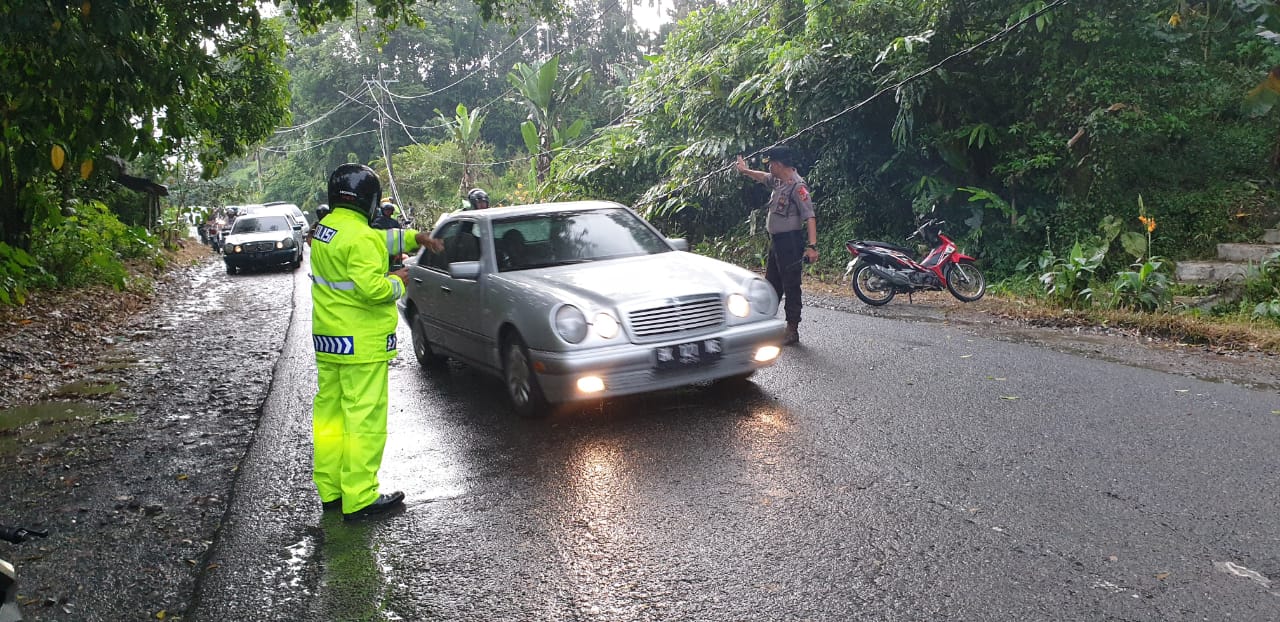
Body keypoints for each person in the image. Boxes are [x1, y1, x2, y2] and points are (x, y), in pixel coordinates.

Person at [309, 163, 443, 521]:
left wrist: (414, 237)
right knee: (364, 420)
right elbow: (373, 289)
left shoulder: (327, 230)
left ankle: (333, 490)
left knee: (331, 418)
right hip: (361, 344)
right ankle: (361, 497)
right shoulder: (362, 238)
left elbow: (371, 241)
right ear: (368, 200)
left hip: (330, 340)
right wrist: (400, 279)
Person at [734, 145, 818, 345]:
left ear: (779, 164)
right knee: (771, 283)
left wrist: (812, 246)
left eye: (771, 163)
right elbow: (762, 176)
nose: (769, 167)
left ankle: (792, 329)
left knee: (791, 284)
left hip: (790, 242)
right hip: (777, 243)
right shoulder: (778, 180)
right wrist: (745, 171)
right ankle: (765, 324)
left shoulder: (798, 186)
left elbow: (810, 216)